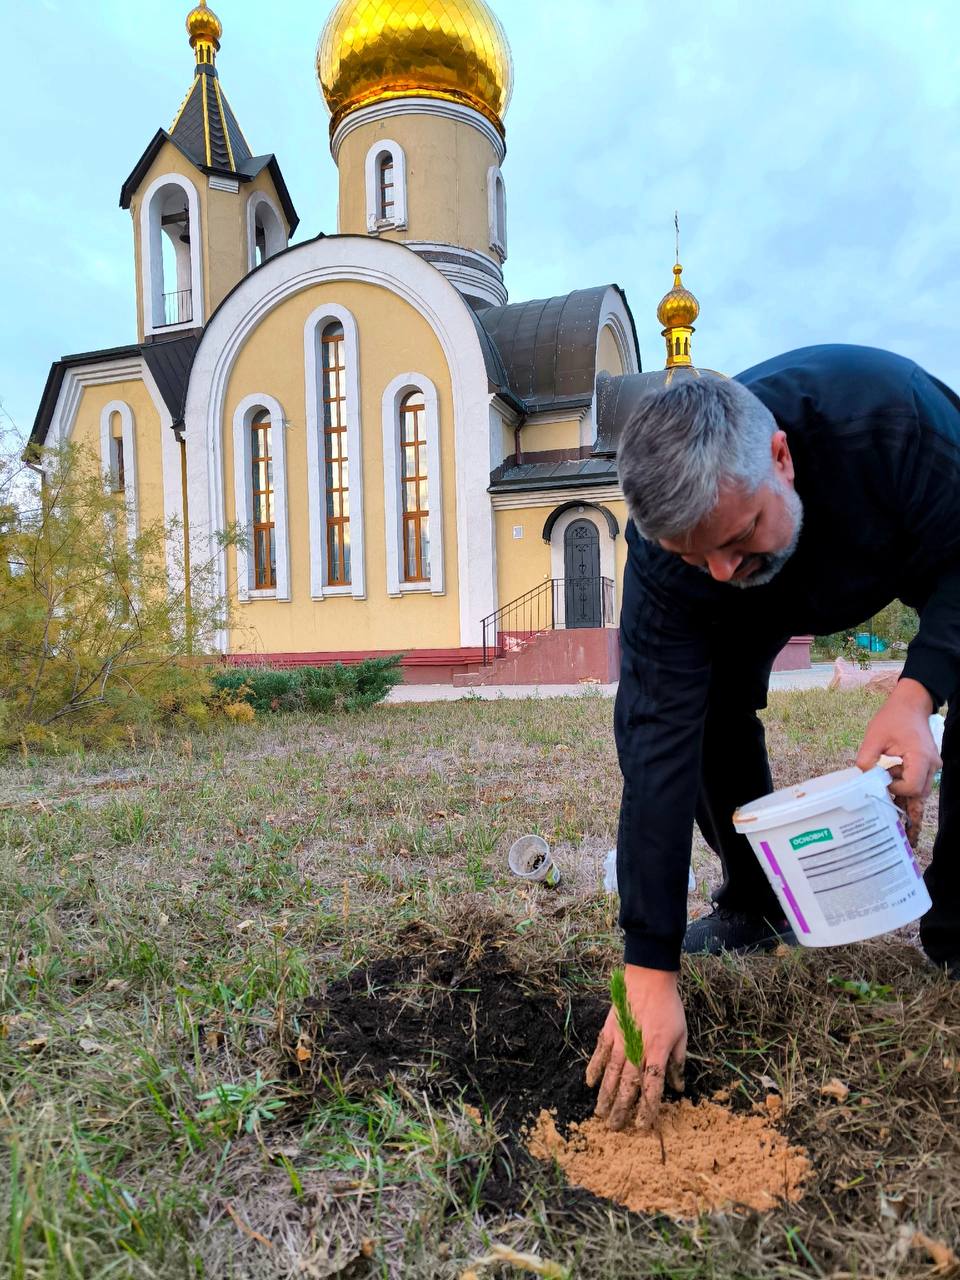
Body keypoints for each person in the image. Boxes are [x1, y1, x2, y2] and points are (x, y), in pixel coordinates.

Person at [587, 344, 958, 1133]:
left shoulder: (890, 422)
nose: (721, 569)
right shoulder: (676, 564)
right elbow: (656, 742)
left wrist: (918, 690)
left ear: (781, 459)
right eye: (698, 554)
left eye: (739, 532)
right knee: (702, 712)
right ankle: (756, 903)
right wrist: (647, 968)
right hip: (772, 595)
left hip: (911, 541)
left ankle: (957, 923)